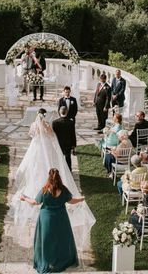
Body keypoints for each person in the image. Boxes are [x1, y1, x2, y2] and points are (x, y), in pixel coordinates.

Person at [9, 115, 95, 255]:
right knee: (42, 169)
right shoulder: (48, 127)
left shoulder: (37, 131)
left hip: (40, 155)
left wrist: (25, 198)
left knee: (38, 171)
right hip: (46, 153)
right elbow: (52, 136)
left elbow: (32, 135)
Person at [20, 168, 86, 273]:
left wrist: (24, 198)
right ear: (59, 178)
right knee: (62, 239)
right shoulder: (63, 190)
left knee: (46, 240)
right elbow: (71, 201)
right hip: (61, 217)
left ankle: (47, 261)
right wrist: (82, 198)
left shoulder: (45, 190)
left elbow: (35, 202)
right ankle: (61, 259)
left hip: (46, 218)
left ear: (49, 178)